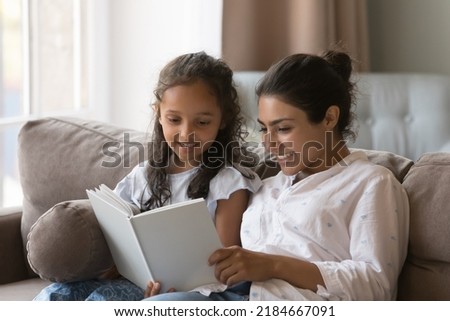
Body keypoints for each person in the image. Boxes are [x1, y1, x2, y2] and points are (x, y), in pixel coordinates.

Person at [144, 50, 410, 301]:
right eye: (264, 129)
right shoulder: (266, 186)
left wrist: (272, 265)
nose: (269, 144)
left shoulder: (371, 183)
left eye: (282, 128)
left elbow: (377, 285)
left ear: (329, 118)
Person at [33, 51, 262, 301]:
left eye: (202, 122)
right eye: (174, 119)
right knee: (55, 295)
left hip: (193, 293)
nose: (186, 133)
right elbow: (118, 236)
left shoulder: (229, 182)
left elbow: (222, 264)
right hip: (137, 282)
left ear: (223, 119)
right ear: (158, 113)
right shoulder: (142, 176)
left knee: (101, 302)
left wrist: (170, 288)